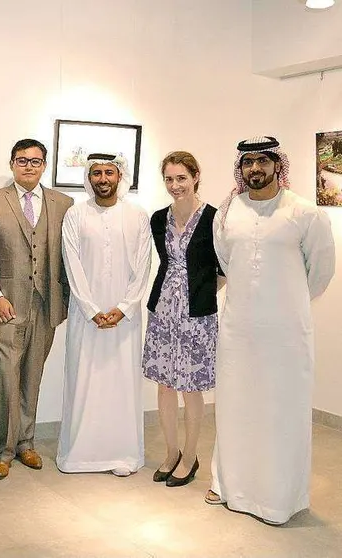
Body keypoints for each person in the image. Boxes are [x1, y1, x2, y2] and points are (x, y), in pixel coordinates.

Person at [207, 136, 335, 525]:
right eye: (248, 163)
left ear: (277, 164)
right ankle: (229, 484)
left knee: (281, 411)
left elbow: (321, 272)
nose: (255, 169)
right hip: (239, 330)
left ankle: (278, 498)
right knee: (235, 406)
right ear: (240, 168)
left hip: (285, 334)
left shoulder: (304, 212)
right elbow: (227, 262)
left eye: (263, 161)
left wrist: (285, 304)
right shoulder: (228, 212)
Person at [0, 139, 74, 479]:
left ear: (44, 165)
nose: (29, 167)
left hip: (46, 305)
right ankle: (3, 450)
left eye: (36, 161)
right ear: (11, 163)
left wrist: (65, 299)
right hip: (7, 306)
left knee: (32, 377)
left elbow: (69, 256)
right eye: (22, 160)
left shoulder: (63, 203)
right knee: (7, 376)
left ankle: (26, 443)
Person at [57, 153, 151, 477]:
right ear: (89, 178)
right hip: (87, 317)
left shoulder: (138, 215)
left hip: (126, 318)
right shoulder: (75, 215)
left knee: (121, 386)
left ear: (118, 176)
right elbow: (72, 265)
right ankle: (79, 456)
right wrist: (92, 310)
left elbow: (143, 267)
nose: (102, 179)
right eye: (96, 173)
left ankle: (122, 453)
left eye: (108, 172)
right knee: (84, 383)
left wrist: (124, 309)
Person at [142, 151, 221, 487]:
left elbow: (224, 268)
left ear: (196, 177)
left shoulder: (215, 219)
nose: (175, 185)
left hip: (197, 315)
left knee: (190, 388)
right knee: (164, 385)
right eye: (169, 179)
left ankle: (190, 456)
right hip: (162, 310)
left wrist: (202, 292)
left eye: (181, 178)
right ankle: (171, 451)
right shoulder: (158, 218)